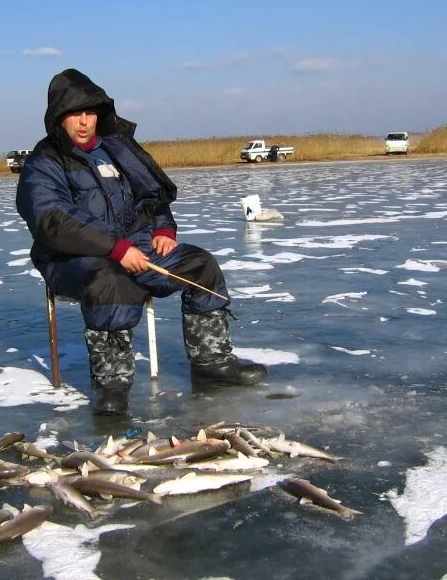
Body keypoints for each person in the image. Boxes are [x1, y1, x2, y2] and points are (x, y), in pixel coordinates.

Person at [16, 69, 267, 415]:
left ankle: (212, 363)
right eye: (75, 114)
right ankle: (112, 387)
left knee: (200, 265)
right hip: (71, 258)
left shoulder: (117, 149)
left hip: (135, 246)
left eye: (90, 112)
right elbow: (53, 221)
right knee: (111, 281)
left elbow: (151, 197)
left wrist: (163, 228)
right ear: (59, 118)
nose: (85, 121)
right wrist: (115, 248)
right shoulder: (44, 163)